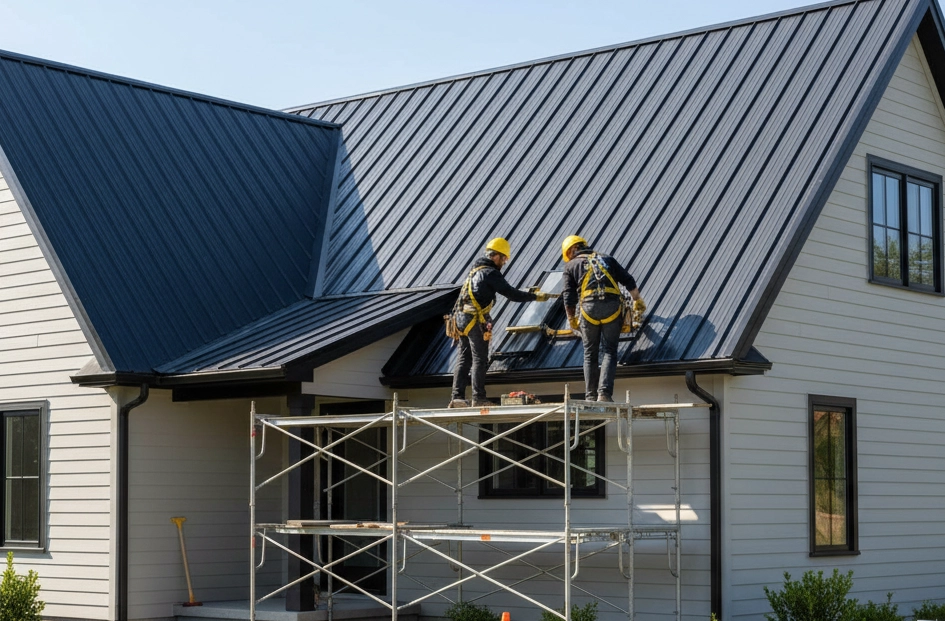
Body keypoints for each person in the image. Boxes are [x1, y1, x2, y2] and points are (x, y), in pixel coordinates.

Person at [449, 238, 549, 408]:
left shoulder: (474, 272)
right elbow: (511, 294)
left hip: (459, 319)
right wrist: (535, 297)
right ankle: (478, 397)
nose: (504, 263)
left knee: (464, 358)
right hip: (474, 319)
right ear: (496, 256)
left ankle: (457, 397)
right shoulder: (490, 273)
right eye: (504, 259)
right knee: (479, 358)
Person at [561, 235, 645, 403]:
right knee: (609, 350)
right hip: (611, 308)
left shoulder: (571, 266)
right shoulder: (607, 258)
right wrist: (637, 301)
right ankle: (604, 394)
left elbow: (568, 297)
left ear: (571, 251)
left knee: (589, 353)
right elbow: (628, 280)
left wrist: (571, 319)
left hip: (588, 310)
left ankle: (590, 396)